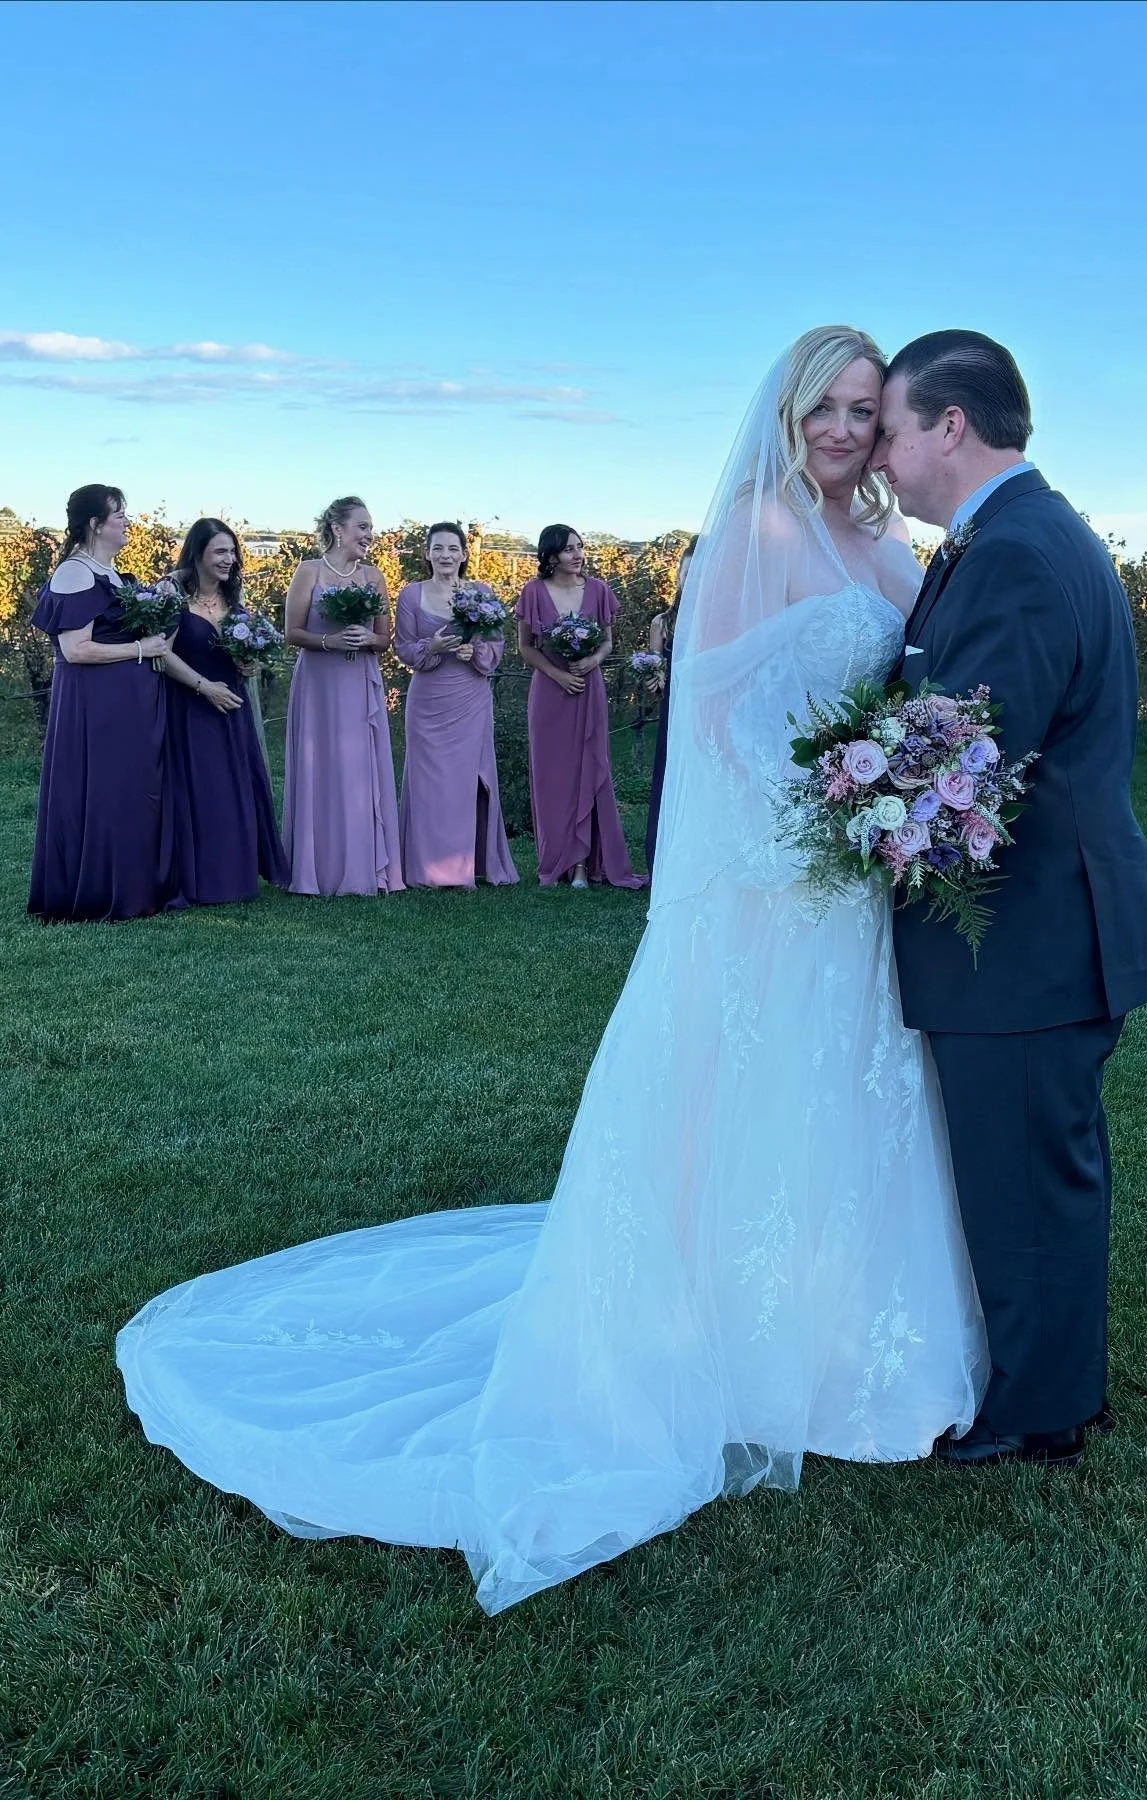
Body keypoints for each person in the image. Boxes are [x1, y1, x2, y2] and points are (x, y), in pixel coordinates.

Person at [115, 327, 988, 1615]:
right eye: (828, 409)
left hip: (859, 880)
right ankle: (733, 1341)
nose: (848, 431)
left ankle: (852, 1336)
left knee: (855, 1090)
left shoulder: (895, 548)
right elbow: (719, 720)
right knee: (757, 1086)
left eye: (867, 411)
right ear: (791, 412)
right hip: (773, 877)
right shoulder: (753, 530)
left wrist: (897, 801)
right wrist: (809, 829)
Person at [872, 329, 1147, 1467]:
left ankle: (1041, 1412)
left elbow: (966, 755)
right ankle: (1051, 1385)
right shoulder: (1014, 534)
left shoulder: (1013, 552)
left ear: (951, 424)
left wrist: (850, 788)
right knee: (1034, 1167)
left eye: (893, 429)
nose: (882, 456)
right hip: (1049, 930)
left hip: (1036, 933)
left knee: (1030, 1179)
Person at [28, 485, 179, 922]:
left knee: (126, 791)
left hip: (126, 701)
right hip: (96, 704)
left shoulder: (111, 573)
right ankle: (97, 890)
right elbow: (77, 650)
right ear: (95, 524)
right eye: (119, 515)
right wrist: (139, 650)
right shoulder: (75, 573)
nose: (127, 522)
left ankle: (132, 886)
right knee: (104, 789)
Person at [160, 519, 288, 905]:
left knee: (236, 790)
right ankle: (199, 880)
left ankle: (235, 876)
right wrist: (203, 687)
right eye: (220, 552)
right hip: (189, 704)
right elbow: (159, 653)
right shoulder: (173, 592)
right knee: (203, 791)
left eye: (232, 552)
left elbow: (241, 650)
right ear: (198, 553)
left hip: (232, 704)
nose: (228, 560)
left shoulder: (235, 597)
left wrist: (249, 664)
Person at [280, 497, 404, 897]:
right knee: (320, 766)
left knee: (359, 770)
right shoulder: (309, 571)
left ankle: (363, 866)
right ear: (337, 529)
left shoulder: (374, 577)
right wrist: (329, 641)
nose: (370, 534)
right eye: (363, 527)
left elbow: (387, 638)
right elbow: (292, 633)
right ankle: (315, 869)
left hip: (358, 682)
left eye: (370, 527)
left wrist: (371, 639)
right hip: (319, 682)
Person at [514, 526, 646, 889]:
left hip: (588, 689)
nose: (578, 554)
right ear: (551, 555)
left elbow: (607, 641)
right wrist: (558, 675)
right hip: (550, 693)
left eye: (580, 547)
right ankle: (556, 861)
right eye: (569, 549)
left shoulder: (599, 590)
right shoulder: (533, 592)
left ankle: (583, 867)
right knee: (552, 777)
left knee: (591, 769)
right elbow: (525, 649)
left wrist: (592, 663)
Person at [393, 523, 517, 889]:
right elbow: (403, 648)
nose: (445, 555)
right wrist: (431, 648)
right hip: (428, 698)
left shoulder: (482, 593)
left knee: (466, 783)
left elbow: (495, 646)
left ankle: (465, 866)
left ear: (464, 554)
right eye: (438, 548)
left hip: (469, 696)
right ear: (426, 553)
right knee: (428, 783)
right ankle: (426, 868)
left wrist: (473, 651)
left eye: (452, 548)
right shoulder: (410, 596)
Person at [643, 535, 696, 875]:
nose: (690, 579)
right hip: (673, 709)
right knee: (669, 773)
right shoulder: (662, 622)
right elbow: (653, 665)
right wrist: (654, 678)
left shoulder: (719, 619)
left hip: (704, 711)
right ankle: (661, 858)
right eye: (685, 571)